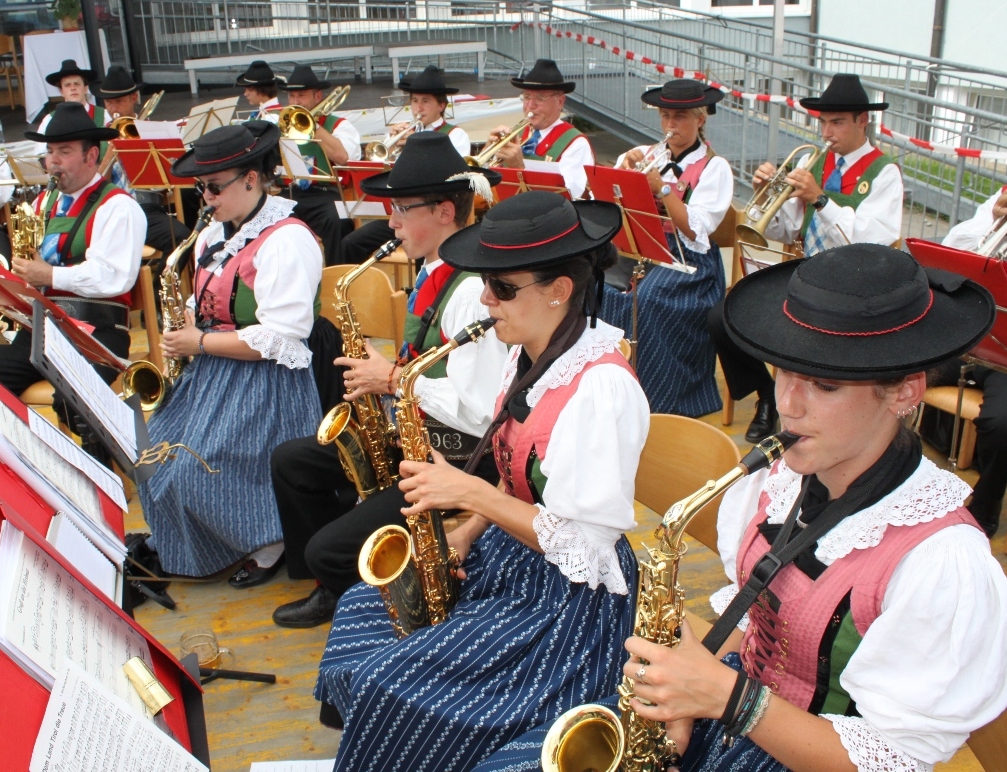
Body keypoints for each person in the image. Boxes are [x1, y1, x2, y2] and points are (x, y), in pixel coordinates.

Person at [477, 244, 1007, 772]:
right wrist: (685, 693)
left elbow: (894, 760)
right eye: (782, 371)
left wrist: (725, 697)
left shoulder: (940, 561)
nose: (787, 405)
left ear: (905, 392)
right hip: (735, 712)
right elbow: (752, 620)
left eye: (824, 385)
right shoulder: (782, 478)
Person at [314, 190, 648, 770]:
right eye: (487, 283)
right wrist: (467, 530)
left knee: (395, 682)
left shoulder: (601, 387)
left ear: (558, 290)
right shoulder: (533, 353)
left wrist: (470, 495)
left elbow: (588, 546)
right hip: (514, 558)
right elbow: (519, 487)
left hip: (569, 605)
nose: (486, 299)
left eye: (502, 288)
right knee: (358, 611)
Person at [266, 132, 507, 620]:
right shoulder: (434, 269)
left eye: (401, 209)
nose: (390, 221)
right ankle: (333, 578)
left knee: (328, 550)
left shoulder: (469, 292)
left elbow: (483, 412)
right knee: (291, 461)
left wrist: (394, 380)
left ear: (445, 212)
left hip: (460, 458)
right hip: (422, 433)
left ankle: (351, 580)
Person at [138, 121, 323, 578]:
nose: (206, 198)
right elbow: (206, 298)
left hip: (267, 379)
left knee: (197, 470)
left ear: (251, 178)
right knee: (153, 451)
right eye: (200, 188)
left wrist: (199, 342)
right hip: (213, 368)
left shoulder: (288, 239)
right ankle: (194, 544)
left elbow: (283, 336)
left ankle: (267, 541)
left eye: (214, 187)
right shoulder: (212, 235)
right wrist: (187, 321)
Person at [709, 73, 904, 443]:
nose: (827, 132)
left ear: (862, 120)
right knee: (723, 316)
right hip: (805, 274)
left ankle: (810, 416)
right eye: (823, 122)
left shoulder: (884, 173)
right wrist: (769, 194)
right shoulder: (816, 163)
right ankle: (767, 395)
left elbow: (872, 244)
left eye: (837, 122)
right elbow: (785, 230)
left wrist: (821, 199)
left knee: (805, 336)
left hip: (853, 290)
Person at [0, 103, 143, 416]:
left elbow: (112, 277)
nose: (53, 161)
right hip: (41, 330)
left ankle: (97, 450)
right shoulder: (42, 202)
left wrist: (49, 276)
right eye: (50, 152)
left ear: (91, 156)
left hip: (96, 333)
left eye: (64, 152)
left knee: (72, 402)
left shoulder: (119, 207)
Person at [602, 79, 732, 416]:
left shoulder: (715, 167)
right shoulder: (646, 154)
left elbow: (696, 229)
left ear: (700, 119)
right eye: (665, 116)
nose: (670, 124)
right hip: (641, 245)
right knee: (597, 284)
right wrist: (624, 175)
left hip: (690, 259)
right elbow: (608, 199)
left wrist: (662, 189)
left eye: (680, 117)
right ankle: (613, 387)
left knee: (647, 300)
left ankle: (661, 399)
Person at [919, 188, 1007, 536]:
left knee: (1002, 423)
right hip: (973, 333)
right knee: (893, 371)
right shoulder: (1002, 197)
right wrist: (994, 220)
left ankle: (985, 505)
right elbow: (954, 248)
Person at [340, 65, 471, 264]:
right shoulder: (402, 133)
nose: (418, 108)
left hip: (431, 216)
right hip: (402, 214)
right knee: (351, 243)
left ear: (441, 106)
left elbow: (454, 178)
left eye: (425, 101)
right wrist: (391, 149)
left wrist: (415, 145)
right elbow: (376, 168)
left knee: (425, 250)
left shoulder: (455, 135)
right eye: (415, 101)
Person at [96, 65, 193, 257]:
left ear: (134, 98)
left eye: (119, 101)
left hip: (150, 204)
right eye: (108, 103)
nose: (113, 109)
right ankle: (163, 278)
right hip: (119, 210)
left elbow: (170, 171)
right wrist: (109, 154)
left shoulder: (151, 130)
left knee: (194, 211)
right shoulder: (97, 138)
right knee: (181, 238)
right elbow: (96, 187)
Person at [276, 64, 359, 267]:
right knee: (266, 217)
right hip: (290, 193)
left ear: (318, 96)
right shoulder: (282, 124)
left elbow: (343, 157)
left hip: (327, 194)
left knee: (339, 221)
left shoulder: (339, 125)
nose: (295, 102)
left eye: (301, 95)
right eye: (291, 96)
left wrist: (314, 126)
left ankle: (338, 276)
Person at [487, 58, 594, 199]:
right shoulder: (516, 134)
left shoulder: (576, 143)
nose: (531, 105)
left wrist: (520, 169)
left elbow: (569, 197)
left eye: (540, 98)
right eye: (526, 97)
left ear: (560, 101)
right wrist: (487, 154)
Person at [31, 59, 111, 155]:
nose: (73, 88)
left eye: (77, 84)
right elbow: (41, 155)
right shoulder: (49, 120)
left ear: (85, 88)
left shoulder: (104, 115)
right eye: (67, 85)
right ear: (61, 91)